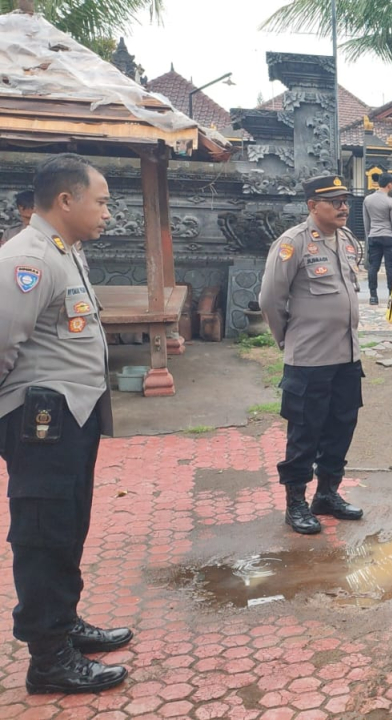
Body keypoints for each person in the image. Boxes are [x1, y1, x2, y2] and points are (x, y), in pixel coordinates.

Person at [0, 153, 132, 694]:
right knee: (42, 534)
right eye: (100, 201)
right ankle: (49, 659)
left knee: (67, 525)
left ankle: (64, 623)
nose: (107, 213)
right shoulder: (26, 259)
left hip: (68, 418)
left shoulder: (64, 251)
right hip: (40, 425)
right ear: (65, 201)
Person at [258, 175, 365, 535]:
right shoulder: (293, 244)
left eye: (344, 200)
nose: (342, 207)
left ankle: (327, 494)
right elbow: (271, 300)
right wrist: (288, 341)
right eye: (333, 201)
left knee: (341, 427)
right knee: (305, 433)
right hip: (308, 360)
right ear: (311, 206)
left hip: (347, 357)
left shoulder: (348, 241)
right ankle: (296, 503)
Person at [361, 172, 392, 306]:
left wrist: (369, 236)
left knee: (373, 267)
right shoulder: (390, 202)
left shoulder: (367, 200)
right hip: (388, 237)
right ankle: (391, 296)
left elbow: (366, 222)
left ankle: (373, 296)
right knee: (391, 267)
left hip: (374, 236)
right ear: (390, 185)